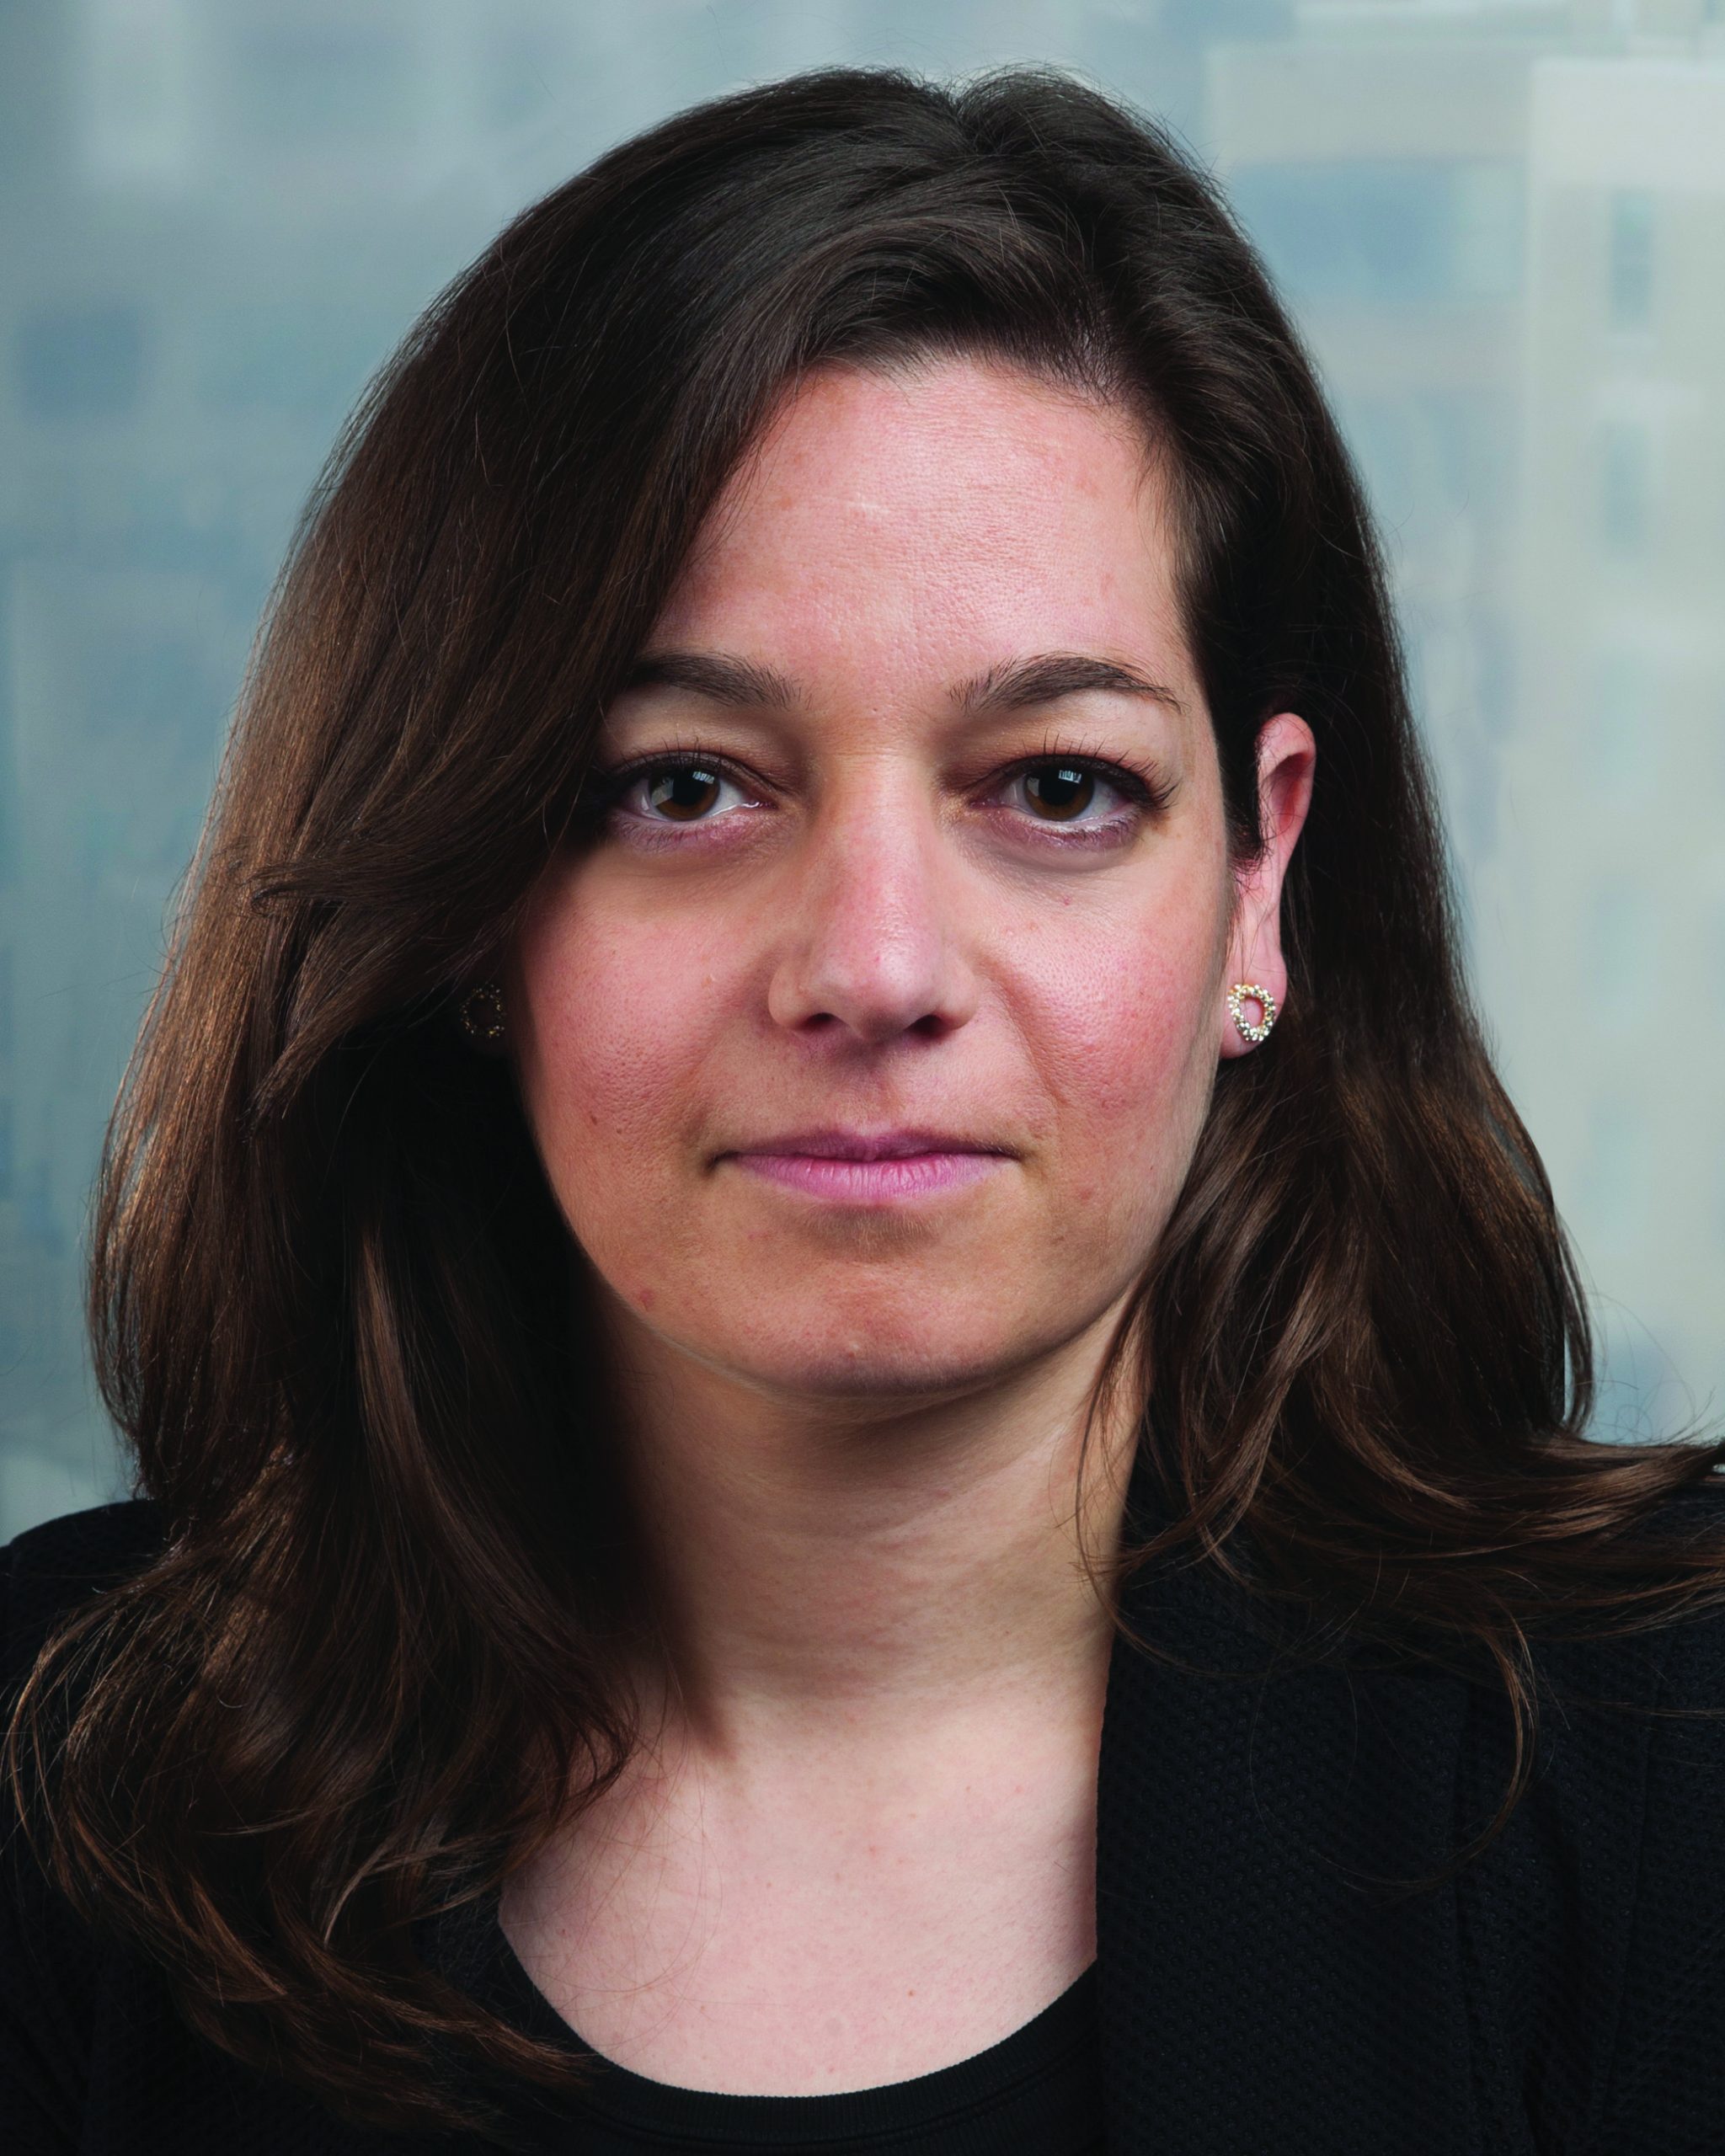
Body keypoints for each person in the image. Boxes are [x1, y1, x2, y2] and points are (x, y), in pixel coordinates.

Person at [3, 63, 1722, 2156]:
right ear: (469, 903)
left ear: (1258, 875)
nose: (877, 965)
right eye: (685, 786)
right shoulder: (57, 1784)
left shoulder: (1668, 1758)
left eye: (1058, 786)